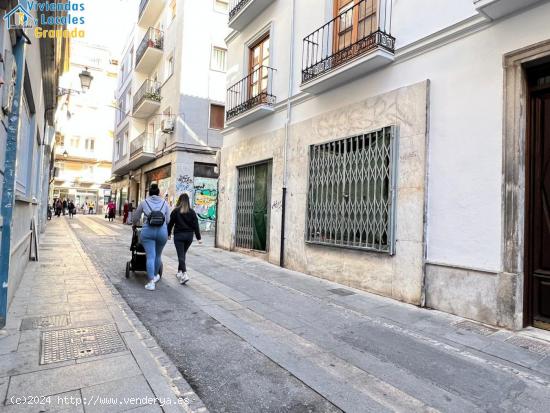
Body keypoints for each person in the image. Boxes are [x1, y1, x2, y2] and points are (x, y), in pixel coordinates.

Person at [132, 184, 170, 291]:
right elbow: (168, 220)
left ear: (149, 193)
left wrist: (134, 224)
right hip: (162, 232)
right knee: (158, 256)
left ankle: (151, 282)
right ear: (158, 193)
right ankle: (155, 275)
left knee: (150, 256)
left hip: (148, 232)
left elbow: (135, 217)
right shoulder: (164, 203)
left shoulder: (144, 202)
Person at [168, 193, 202, 285]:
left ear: (179, 200)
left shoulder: (175, 211)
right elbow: (196, 225)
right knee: (182, 254)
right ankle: (179, 272)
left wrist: (168, 234)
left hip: (179, 236)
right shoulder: (192, 212)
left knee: (181, 255)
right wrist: (199, 238)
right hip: (189, 237)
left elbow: (170, 223)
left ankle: (185, 274)